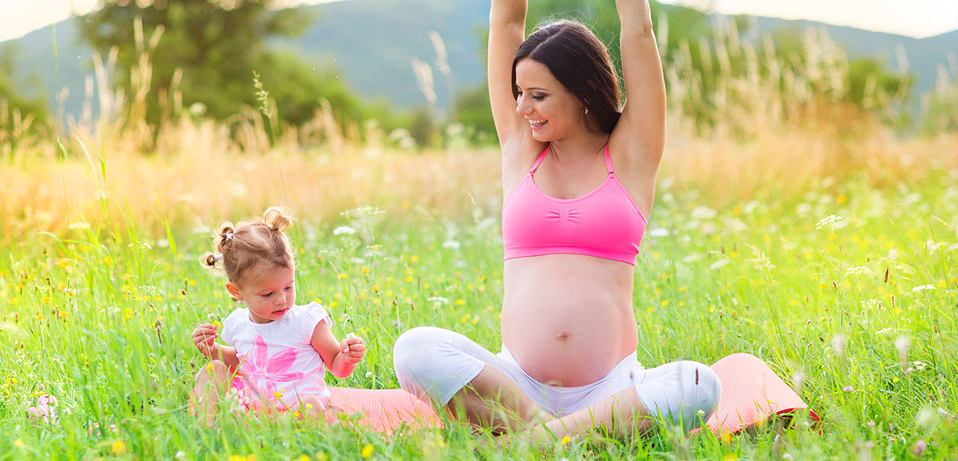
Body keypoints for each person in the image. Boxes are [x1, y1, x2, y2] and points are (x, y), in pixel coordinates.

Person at [393, 0, 721, 440]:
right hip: (515, 387)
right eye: (519, 93)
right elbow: (506, 19)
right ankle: (558, 437)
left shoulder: (631, 154)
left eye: (539, 95)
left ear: (584, 90)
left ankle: (535, 442)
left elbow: (638, 30)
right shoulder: (521, 148)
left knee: (701, 385)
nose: (523, 108)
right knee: (413, 348)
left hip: (611, 391)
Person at [190, 206, 366, 426]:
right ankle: (210, 432)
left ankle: (288, 433)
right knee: (211, 371)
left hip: (297, 412)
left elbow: (336, 365)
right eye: (268, 293)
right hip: (254, 412)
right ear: (236, 291)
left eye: (288, 287)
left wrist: (348, 357)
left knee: (312, 407)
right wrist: (212, 349)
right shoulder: (238, 323)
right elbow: (241, 361)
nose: (281, 299)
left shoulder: (307, 322)